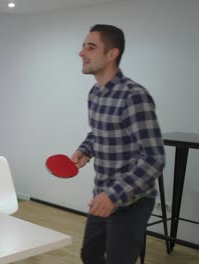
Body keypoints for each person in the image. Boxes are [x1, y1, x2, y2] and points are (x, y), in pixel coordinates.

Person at [73, 24, 165, 264]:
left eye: (90, 47)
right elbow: (99, 132)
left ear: (112, 54)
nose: (81, 53)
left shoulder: (134, 96)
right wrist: (85, 149)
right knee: (90, 256)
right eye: (83, 46)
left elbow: (154, 158)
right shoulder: (95, 93)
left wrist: (114, 196)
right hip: (102, 193)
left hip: (130, 200)